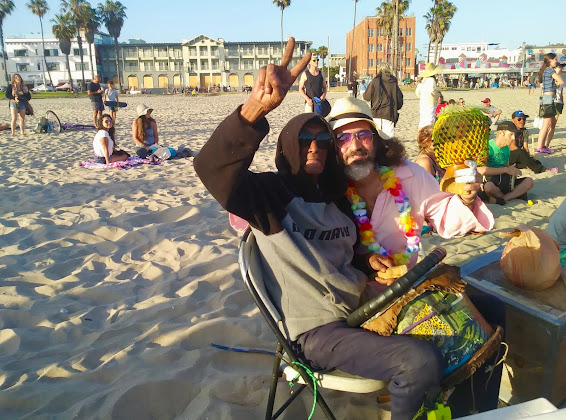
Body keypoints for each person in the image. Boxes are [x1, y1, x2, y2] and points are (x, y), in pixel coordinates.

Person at [196, 38, 448, 420]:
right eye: (303, 139)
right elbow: (212, 169)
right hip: (318, 333)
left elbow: (343, 252)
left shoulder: (336, 199)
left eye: (321, 141)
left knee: (452, 315)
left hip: (361, 309)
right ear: (286, 147)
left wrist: (367, 262)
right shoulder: (268, 198)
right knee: (418, 361)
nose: (313, 147)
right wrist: (256, 107)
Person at [327, 97, 502, 418]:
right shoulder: (327, 189)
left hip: (413, 284)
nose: (355, 145)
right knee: (445, 339)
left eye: (363, 135)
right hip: (363, 306)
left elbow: (443, 216)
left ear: (377, 140)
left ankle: (477, 412)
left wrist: (464, 200)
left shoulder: (408, 175)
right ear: (332, 146)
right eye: (342, 137)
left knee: (494, 310)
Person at [477, 121, 535, 205]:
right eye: (511, 134)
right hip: (491, 180)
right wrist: (506, 170)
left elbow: (507, 167)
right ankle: (514, 196)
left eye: (514, 135)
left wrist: (513, 171)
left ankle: (503, 199)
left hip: (504, 181)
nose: (513, 138)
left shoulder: (506, 149)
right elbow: (481, 170)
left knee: (529, 181)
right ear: (501, 133)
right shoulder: (488, 147)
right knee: (489, 187)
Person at [363, 63, 403, 140]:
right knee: (389, 142)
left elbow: (366, 97)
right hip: (389, 114)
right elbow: (400, 102)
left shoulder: (375, 81)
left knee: (376, 140)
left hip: (376, 113)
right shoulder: (393, 82)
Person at [535, 53, 564, 154]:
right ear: (550, 60)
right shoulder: (550, 70)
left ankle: (543, 146)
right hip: (548, 98)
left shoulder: (546, 71)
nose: (556, 61)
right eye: (555, 59)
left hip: (548, 98)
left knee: (548, 123)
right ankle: (539, 146)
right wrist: (557, 77)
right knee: (546, 125)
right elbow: (561, 81)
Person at [416, 62, 440, 129]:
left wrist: (422, 96)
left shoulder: (423, 80)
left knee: (422, 120)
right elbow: (432, 91)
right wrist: (436, 96)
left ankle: (420, 136)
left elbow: (417, 92)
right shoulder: (432, 80)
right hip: (430, 102)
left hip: (423, 102)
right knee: (429, 120)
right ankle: (428, 136)